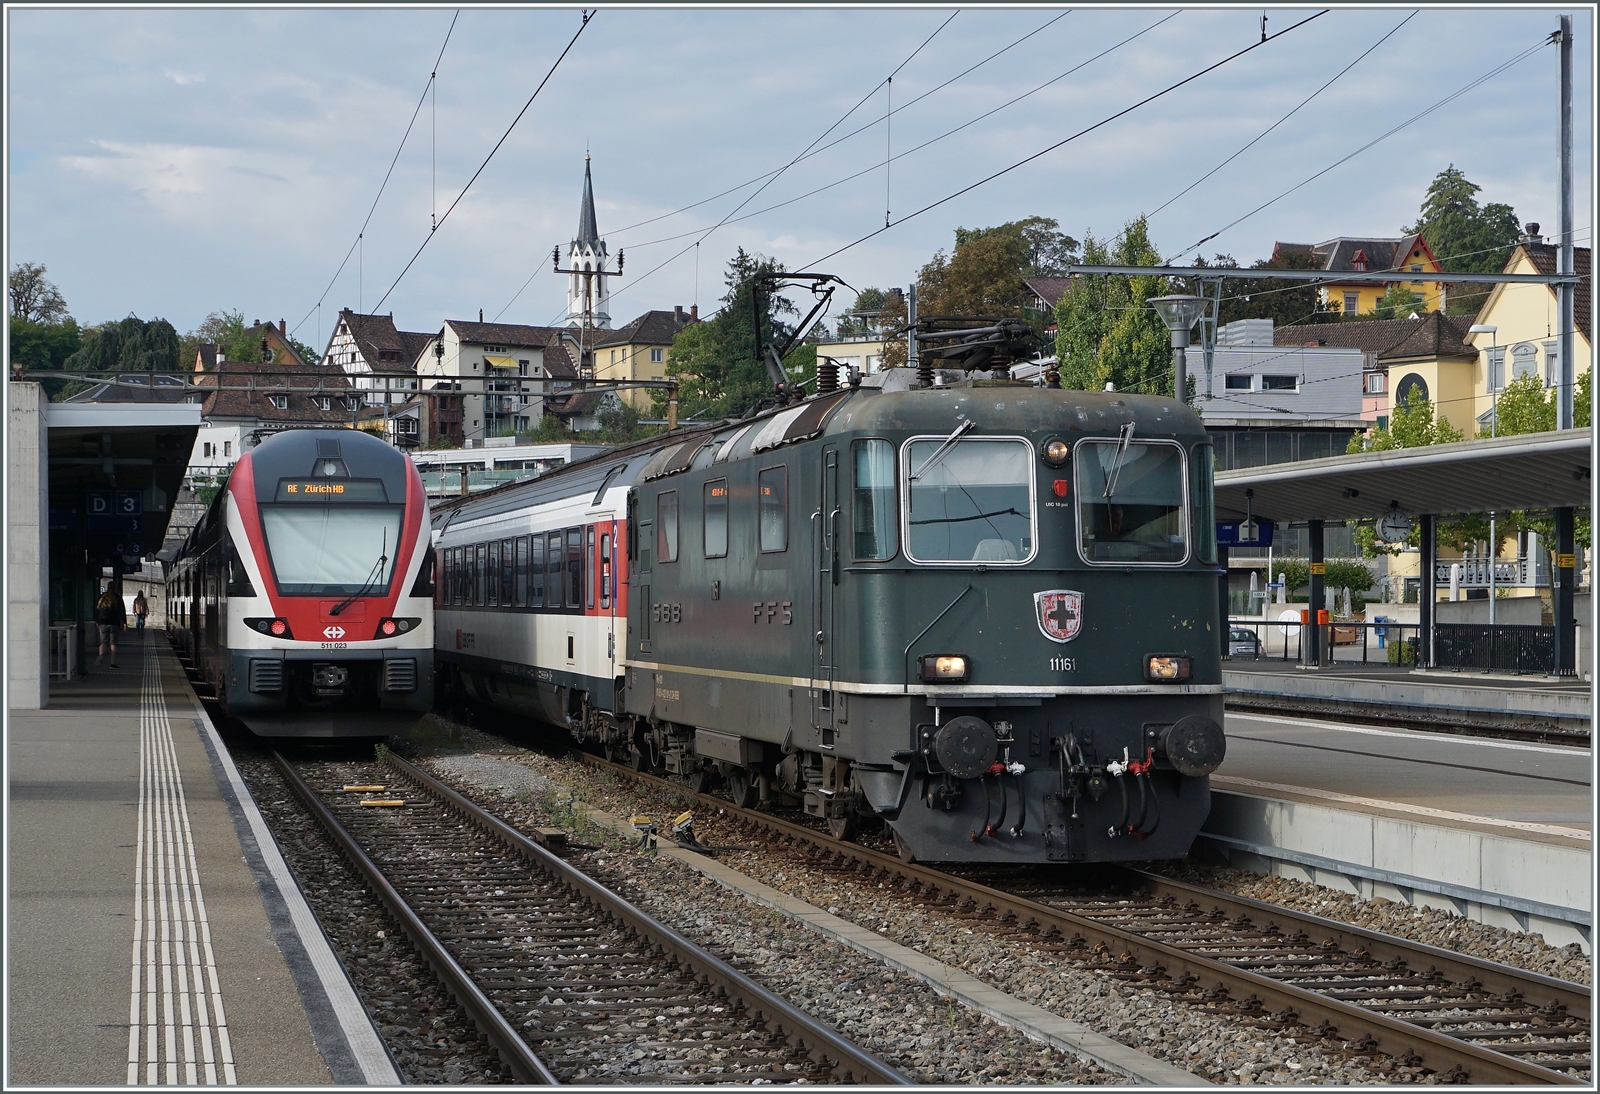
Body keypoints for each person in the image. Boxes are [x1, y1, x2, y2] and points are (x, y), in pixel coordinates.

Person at [95, 586, 122, 668]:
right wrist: (124, 623)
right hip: (113, 623)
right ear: (115, 588)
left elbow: (97, 610)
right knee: (113, 643)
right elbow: (121, 611)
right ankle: (112, 663)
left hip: (102, 623)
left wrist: (97, 621)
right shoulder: (117, 598)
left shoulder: (102, 598)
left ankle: (101, 654)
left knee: (103, 642)